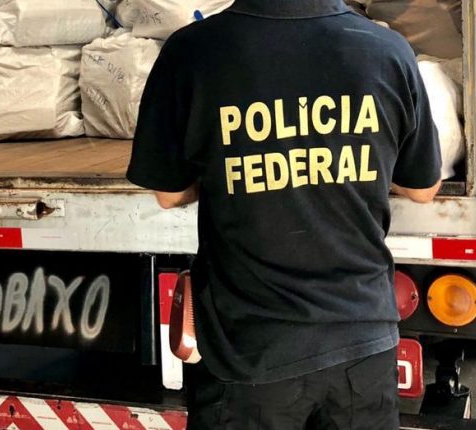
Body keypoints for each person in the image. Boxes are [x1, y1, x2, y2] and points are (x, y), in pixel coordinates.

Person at [127, 0, 442, 428]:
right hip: (362, 342)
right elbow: (422, 188)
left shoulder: (191, 52)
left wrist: (230, 167)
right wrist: (354, 163)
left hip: (250, 351)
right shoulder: (387, 50)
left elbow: (169, 194)